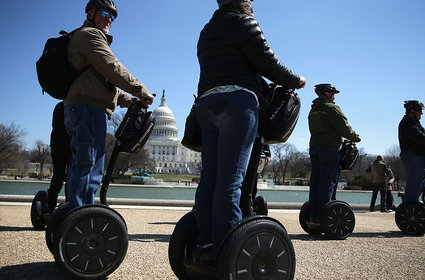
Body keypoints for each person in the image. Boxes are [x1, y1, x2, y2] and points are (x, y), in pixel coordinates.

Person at [194, 0, 306, 263]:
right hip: (237, 103)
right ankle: (229, 249)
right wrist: (296, 80)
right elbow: (268, 61)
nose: (252, 4)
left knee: (209, 178)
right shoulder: (243, 22)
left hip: (207, 103)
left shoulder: (207, 30)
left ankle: (206, 243)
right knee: (231, 180)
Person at [64, 0, 155, 210]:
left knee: (84, 164)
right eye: (105, 14)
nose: (109, 20)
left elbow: (103, 84)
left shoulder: (85, 37)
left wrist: (129, 100)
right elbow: (112, 68)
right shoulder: (90, 35)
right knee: (89, 167)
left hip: (82, 106)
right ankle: (82, 217)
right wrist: (139, 89)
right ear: (91, 13)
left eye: (113, 17)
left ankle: (76, 213)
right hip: (88, 109)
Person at [307, 83, 361, 225]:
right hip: (329, 148)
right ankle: (324, 215)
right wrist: (355, 137)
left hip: (314, 147)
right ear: (326, 93)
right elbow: (344, 128)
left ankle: (314, 215)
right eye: (332, 93)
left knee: (316, 181)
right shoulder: (331, 108)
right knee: (328, 181)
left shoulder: (313, 110)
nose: (334, 96)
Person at [46, 102, 71, 213]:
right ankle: (70, 204)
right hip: (70, 143)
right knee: (71, 175)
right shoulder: (74, 105)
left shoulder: (59, 106)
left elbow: (55, 125)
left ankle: (50, 205)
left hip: (56, 143)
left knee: (58, 174)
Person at [398, 100, 425, 202]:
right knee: (415, 182)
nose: (421, 114)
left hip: (417, 156)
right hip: (413, 156)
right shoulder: (407, 123)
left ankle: (411, 203)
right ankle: (410, 205)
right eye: (420, 111)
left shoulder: (414, 123)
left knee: (419, 181)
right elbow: (420, 138)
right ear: (412, 111)